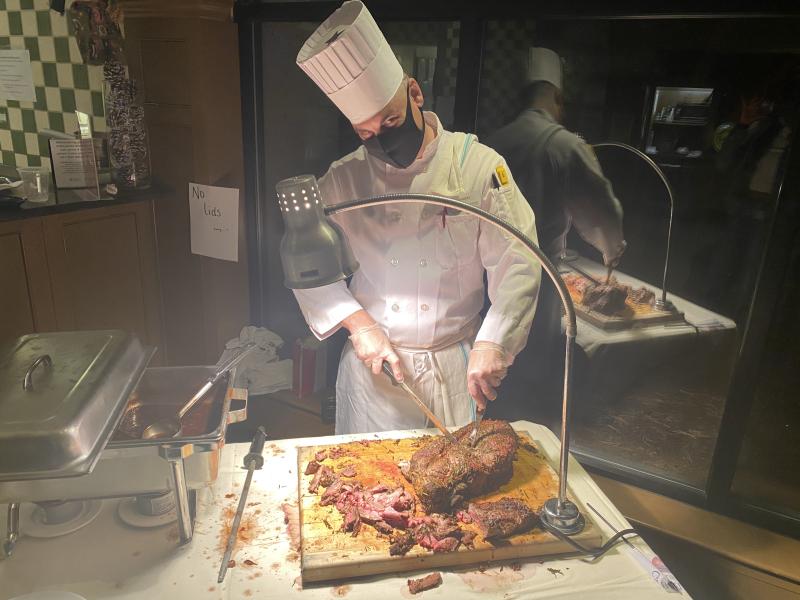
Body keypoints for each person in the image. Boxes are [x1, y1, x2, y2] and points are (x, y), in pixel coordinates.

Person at [291, 0, 541, 434]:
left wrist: (494, 342)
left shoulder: (477, 166)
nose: (383, 141)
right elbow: (311, 269)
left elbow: (519, 262)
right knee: (367, 489)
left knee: (450, 490)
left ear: (415, 94)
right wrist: (359, 324)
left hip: (452, 364)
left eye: (390, 122)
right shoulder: (343, 180)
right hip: (374, 367)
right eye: (367, 134)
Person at [485, 48, 626, 419]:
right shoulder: (566, 145)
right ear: (556, 97)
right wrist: (611, 249)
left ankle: (491, 423)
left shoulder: (492, 141)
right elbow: (600, 210)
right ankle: (526, 430)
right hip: (540, 271)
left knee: (491, 352)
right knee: (531, 355)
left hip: (485, 269)